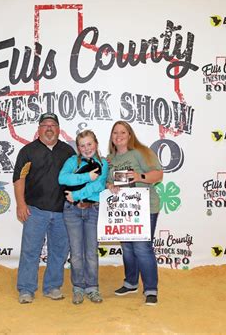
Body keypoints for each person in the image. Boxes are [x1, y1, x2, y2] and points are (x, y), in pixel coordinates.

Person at [13, 113, 75, 304]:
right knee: (30, 250)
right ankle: (26, 289)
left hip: (62, 210)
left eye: (53, 125)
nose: (49, 128)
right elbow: (19, 178)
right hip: (35, 210)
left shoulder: (68, 152)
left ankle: (53, 286)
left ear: (58, 129)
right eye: (45, 125)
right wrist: (21, 204)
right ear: (39, 129)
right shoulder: (27, 151)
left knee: (59, 251)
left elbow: (76, 179)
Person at [106, 121, 163, 306]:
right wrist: (110, 186)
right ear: (111, 137)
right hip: (124, 210)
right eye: (115, 132)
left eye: (123, 132)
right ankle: (130, 283)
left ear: (130, 135)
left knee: (141, 247)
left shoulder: (141, 152)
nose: (119, 135)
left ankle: (151, 289)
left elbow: (158, 174)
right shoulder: (110, 159)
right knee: (128, 247)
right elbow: (107, 182)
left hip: (146, 207)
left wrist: (140, 177)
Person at [58, 130, 108, 305]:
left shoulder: (103, 163)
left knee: (91, 252)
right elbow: (62, 178)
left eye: (89, 144)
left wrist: (76, 194)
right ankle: (78, 287)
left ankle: (92, 287)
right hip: (72, 211)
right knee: (77, 253)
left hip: (92, 209)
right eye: (82, 145)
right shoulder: (72, 161)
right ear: (78, 148)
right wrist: (86, 176)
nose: (86, 148)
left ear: (96, 144)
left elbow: (99, 185)